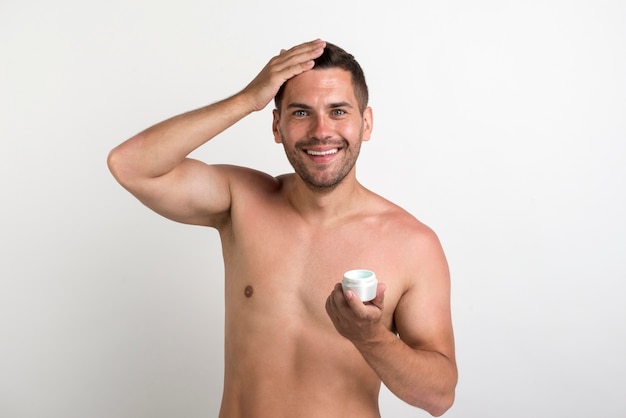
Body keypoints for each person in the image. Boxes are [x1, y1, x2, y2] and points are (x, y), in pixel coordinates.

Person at [108, 39, 457, 417]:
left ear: (366, 123)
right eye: (301, 113)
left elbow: (438, 397)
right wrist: (248, 98)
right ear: (277, 125)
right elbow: (129, 165)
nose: (321, 131)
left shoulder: (413, 245)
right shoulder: (241, 202)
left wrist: (371, 339)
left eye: (338, 111)